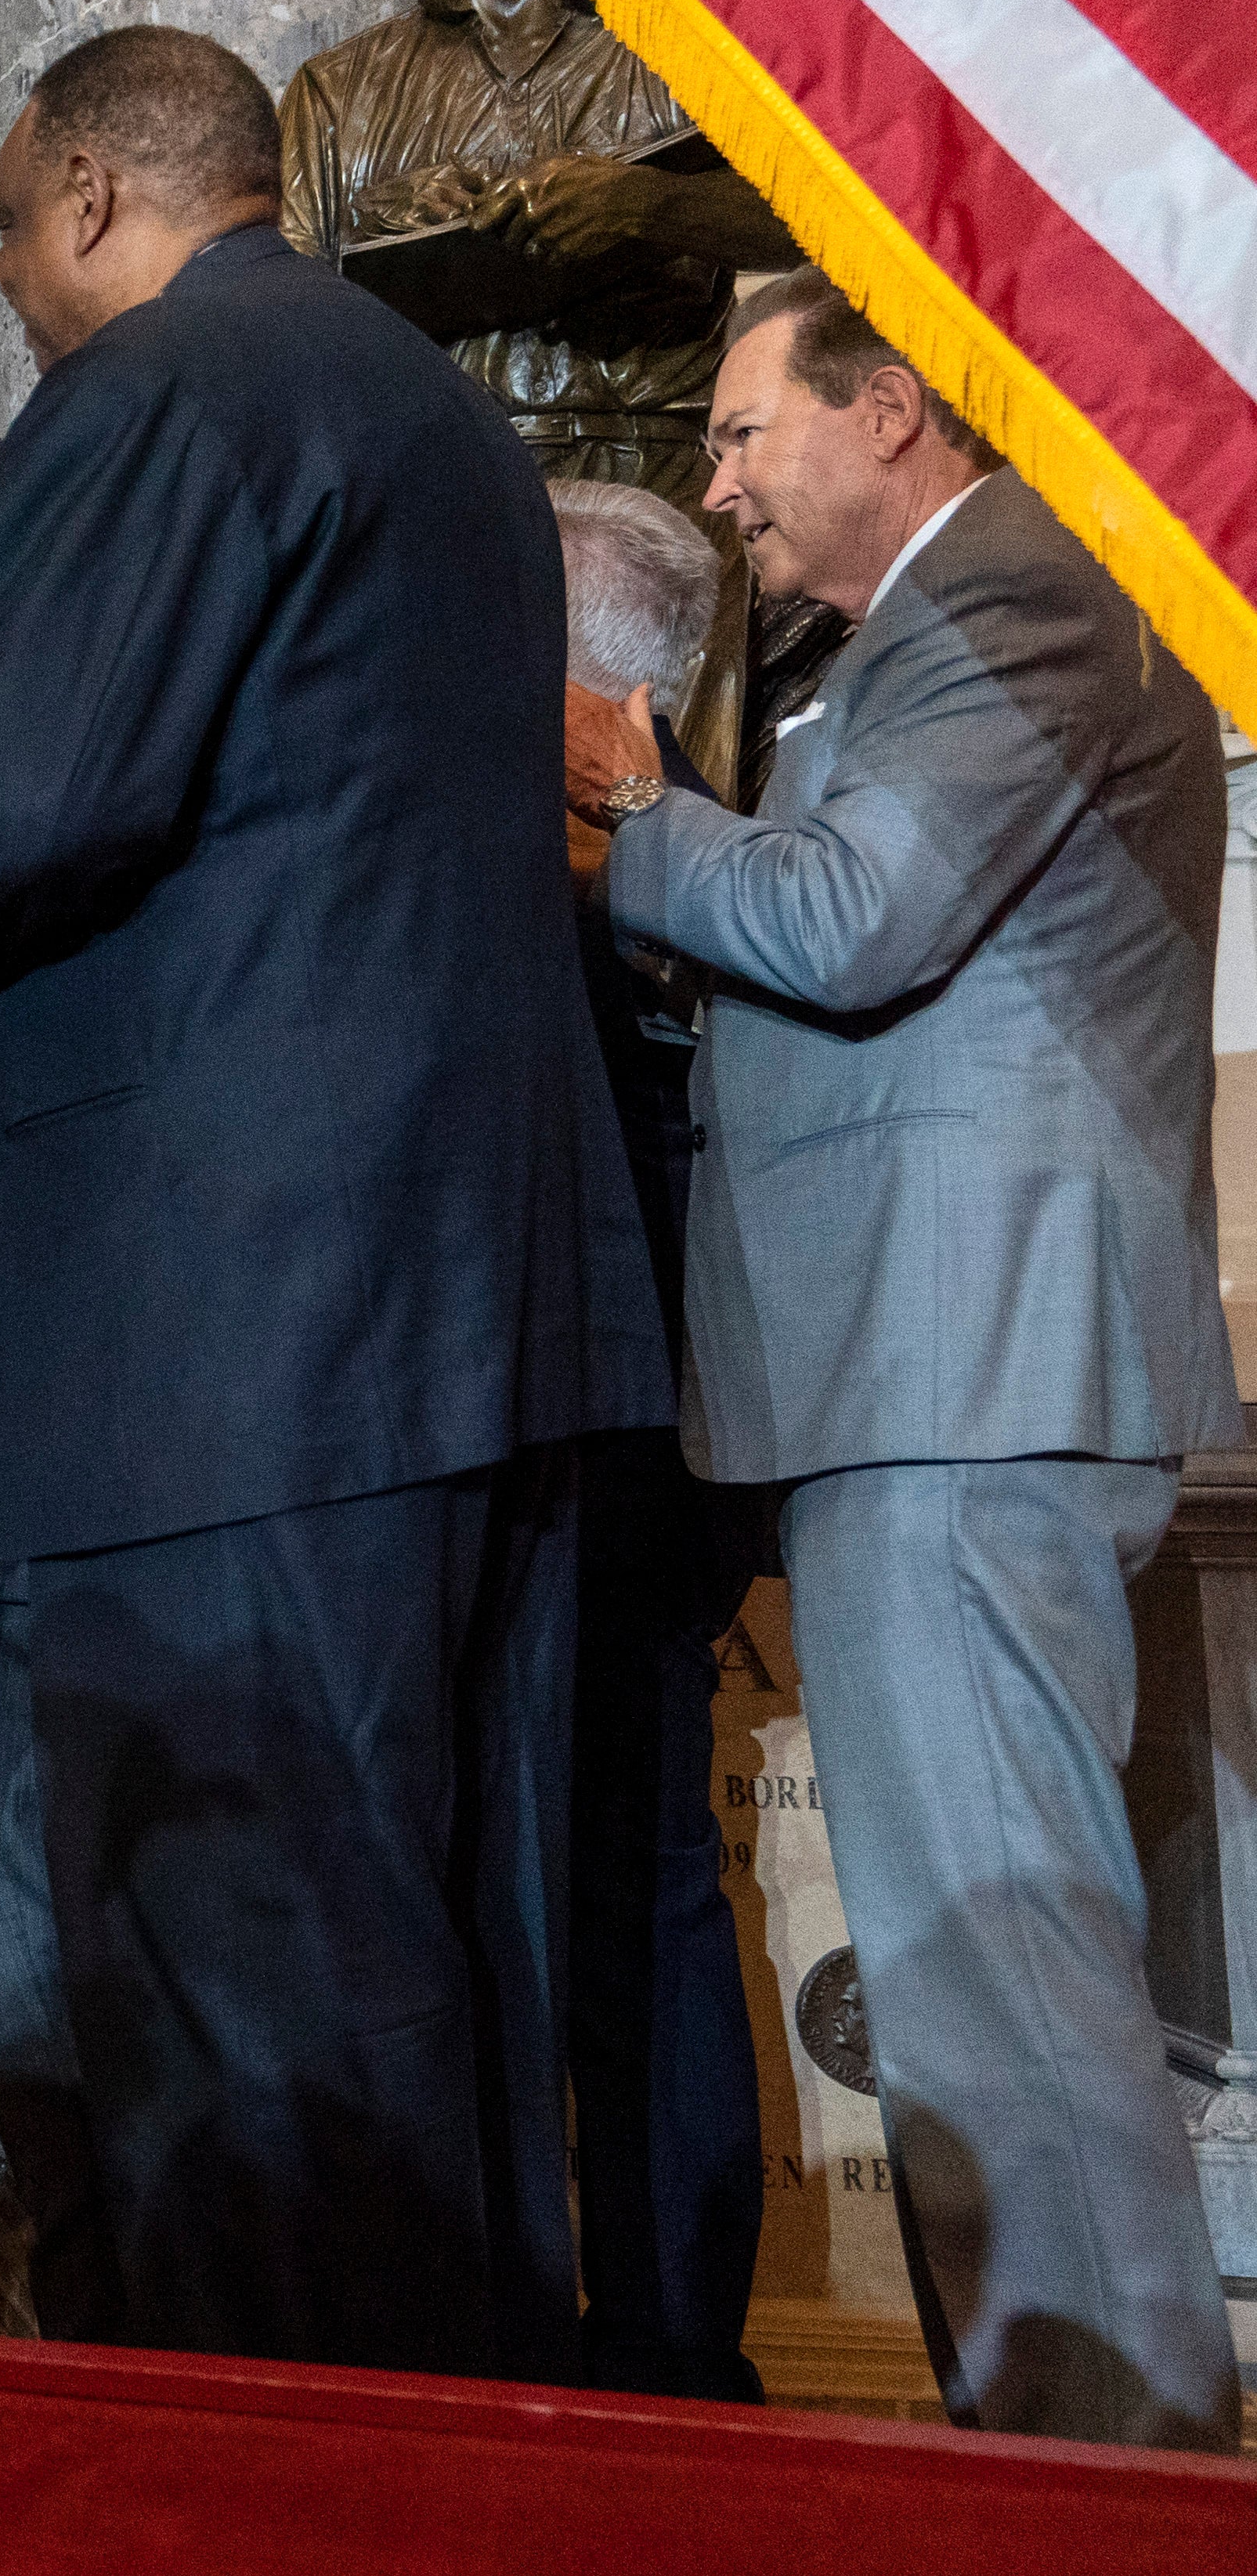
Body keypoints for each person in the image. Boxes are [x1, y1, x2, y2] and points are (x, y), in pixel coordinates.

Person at [0, 25, 664, 2382]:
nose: (14, 279)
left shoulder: (147, 395)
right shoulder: (430, 416)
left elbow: (23, 815)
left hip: (233, 1338)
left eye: (11, 225)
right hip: (466, 1307)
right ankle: (471, 2488)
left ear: (96, 192)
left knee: (241, 1995)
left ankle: (288, 2518)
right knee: (449, 1969)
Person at [569, 273, 1244, 2452]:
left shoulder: (1013, 599)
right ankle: (1056, 2467)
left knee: (1008, 1985)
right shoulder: (924, 636)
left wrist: (632, 803)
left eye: (748, 427)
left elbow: (851, 919)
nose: (718, 476)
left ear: (893, 410)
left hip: (962, 1381)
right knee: (994, 1985)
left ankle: (1110, 2499)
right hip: (938, 1382)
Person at [278, 0, 816, 796]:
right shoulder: (338, 93)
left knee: (667, 823)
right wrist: (422, 233)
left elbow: (816, 214)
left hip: (664, 494)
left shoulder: (684, 49)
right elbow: (283, 314)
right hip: (440, 498)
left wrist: (643, 209)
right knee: (459, 820)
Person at [544, 476, 770, 2405]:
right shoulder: (722, 827)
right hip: (683, 1431)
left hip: (587, 1437)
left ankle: (640, 2333)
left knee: (602, 1891)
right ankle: (678, 2338)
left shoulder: (610, 844)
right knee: (657, 1888)